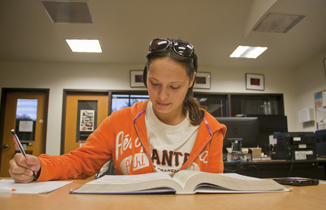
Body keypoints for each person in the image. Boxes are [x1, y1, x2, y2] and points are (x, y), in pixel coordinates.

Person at [9, 38, 226, 183]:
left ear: (191, 81)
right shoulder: (122, 121)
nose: (162, 96)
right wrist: (39, 167)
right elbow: (80, 161)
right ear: (145, 77)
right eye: (154, 83)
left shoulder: (210, 130)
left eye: (174, 87)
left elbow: (214, 189)